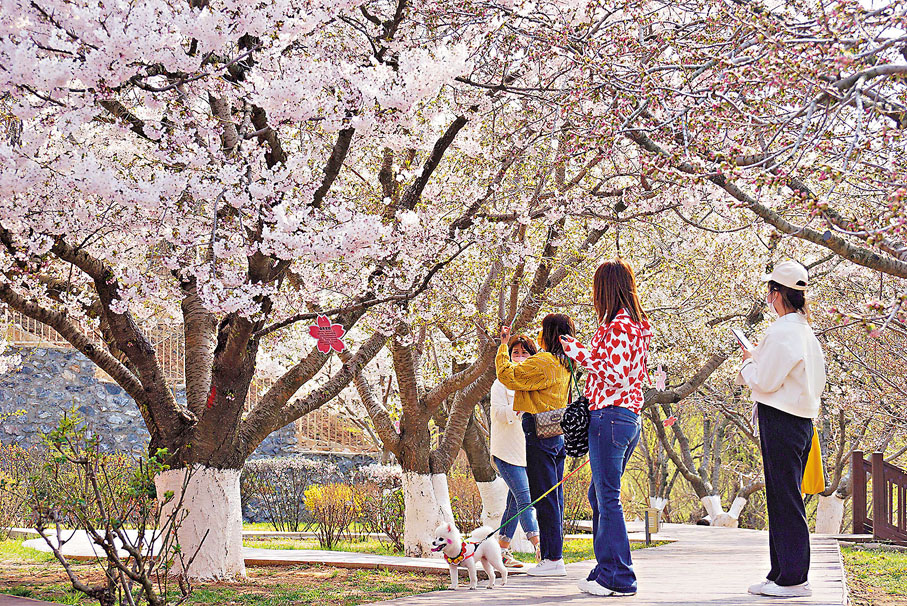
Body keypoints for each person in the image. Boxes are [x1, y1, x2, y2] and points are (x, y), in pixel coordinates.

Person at [560, 258, 652, 598]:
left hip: (611, 417)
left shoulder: (621, 327)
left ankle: (620, 577)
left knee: (607, 497)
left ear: (606, 290)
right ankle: (606, 568)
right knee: (598, 494)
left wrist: (576, 350)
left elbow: (616, 372)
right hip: (624, 418)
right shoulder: (633, 326)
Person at [737, 261, 826, 598]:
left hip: (782, 418)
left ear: (776, 293)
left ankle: (793, 577)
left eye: (770, 291)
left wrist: (747, 360)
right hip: (801, 419)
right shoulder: (804, 331)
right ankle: (780, 572)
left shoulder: (782, 331)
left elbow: (764, 379)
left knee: (785, 497)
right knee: (783, 495)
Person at [496, 314, 574, 577]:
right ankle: (555, 556)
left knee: (544, 497)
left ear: (549, 333)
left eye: (542, 330)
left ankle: (552, 559)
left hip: (539, 431)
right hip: (556, 432)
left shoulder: (544, 361)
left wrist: (503, 347)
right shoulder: (566, 363)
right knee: (555, 496)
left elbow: (508, 376)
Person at [490, 334, 541, 567]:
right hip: (505, 452)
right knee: (525, 498)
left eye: (525, 353)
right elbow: (499, 414)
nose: (519, 357)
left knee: (514, 503)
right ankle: (538, 544)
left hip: (527, 452)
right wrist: (517, 407)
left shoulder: (534, 384)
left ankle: (501, 551)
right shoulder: (501, 383)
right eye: (515, 353)